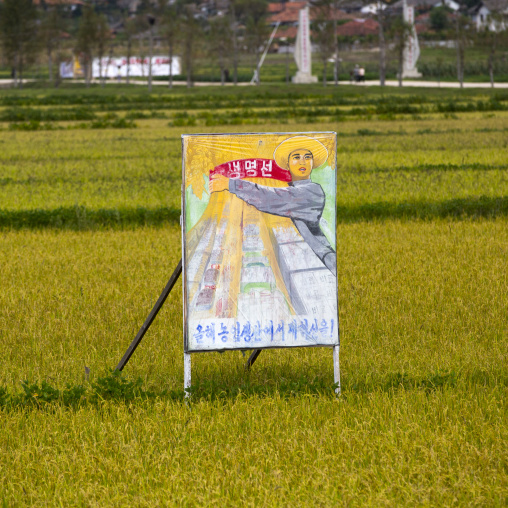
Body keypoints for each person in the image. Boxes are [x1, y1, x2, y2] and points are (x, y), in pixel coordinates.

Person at [209, 136, 337, 276]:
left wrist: (230, 184)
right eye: (296, 157)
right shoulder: (291, 188)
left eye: (307, 157)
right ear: (287, 164)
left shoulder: (312, 192)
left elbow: (271, 198)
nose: (303, 161)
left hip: (321, 267)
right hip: (301, 264)